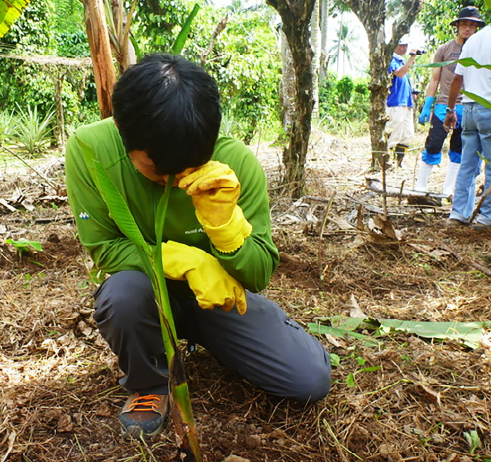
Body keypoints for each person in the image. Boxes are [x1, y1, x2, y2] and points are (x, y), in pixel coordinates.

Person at [65, 54, 331, 438]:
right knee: (121, 294)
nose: (172, 180)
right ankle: (149, 383)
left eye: (188, 169)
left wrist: (224, 225)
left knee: (308, 380)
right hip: (145, 294)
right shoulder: (91, 150)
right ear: (122, 133)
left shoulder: (234, 162)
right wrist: (185, 258)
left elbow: (257, 275)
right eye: (157, 170)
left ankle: (215, 339)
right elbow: (104, 247)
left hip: (216, 299)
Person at [444, 10, 491, 230]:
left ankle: (458, 214)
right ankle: (488, 218)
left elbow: (457, 78)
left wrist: (451, 109)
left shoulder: (473, 40)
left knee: (468, 165)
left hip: (470, 109)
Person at [415, 7, 484, 196]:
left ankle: (449, 190)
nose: (467, 28)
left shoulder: (480, 52)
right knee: (434, 143)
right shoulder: (444, 50)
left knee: (459, 148)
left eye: (472, 25)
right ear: (457, 26)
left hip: (469, 106)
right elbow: (435, 79)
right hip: (443, 106)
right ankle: (420, 187)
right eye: (464, 24)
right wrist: (427, 105)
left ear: (477, 27)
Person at [386, 34, 420, 168]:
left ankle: (399, 162)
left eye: (406, 45)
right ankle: (386, 161)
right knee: (394, 132)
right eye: (401, 45)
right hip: (395, 102)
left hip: (406, 103)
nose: (404, 48)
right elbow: (399, 73)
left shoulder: (401, 61)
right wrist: (412, 58)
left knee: (407, 134)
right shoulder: (391, 60)